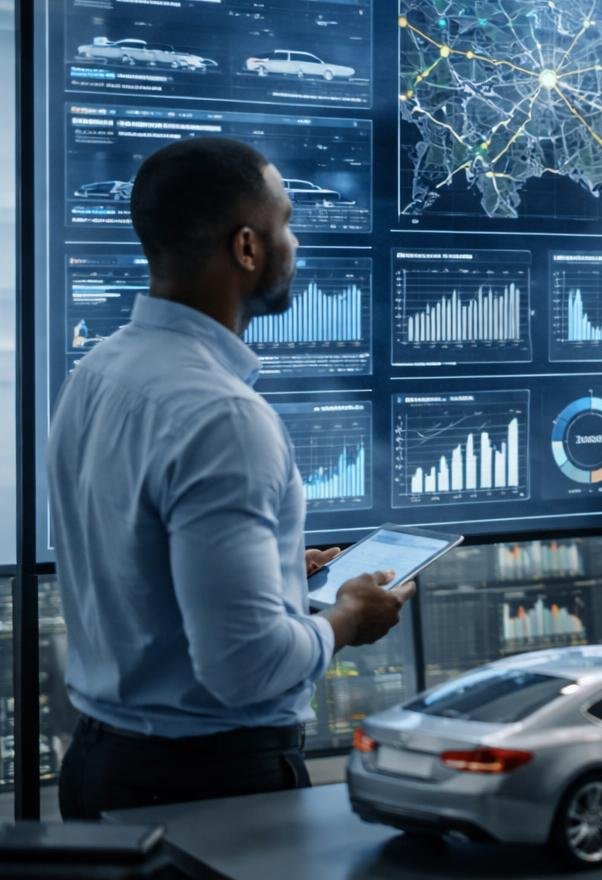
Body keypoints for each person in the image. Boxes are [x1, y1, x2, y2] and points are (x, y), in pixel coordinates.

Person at [48, 137, 413, 819]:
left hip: (101, 768)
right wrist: (347, 619)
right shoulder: (223, 417)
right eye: (287, 223)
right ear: (246, 247)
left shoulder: (96, 372)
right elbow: (246, 667)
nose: (295, 244)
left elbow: (138, 562)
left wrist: (270, 579)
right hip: (207, 787)